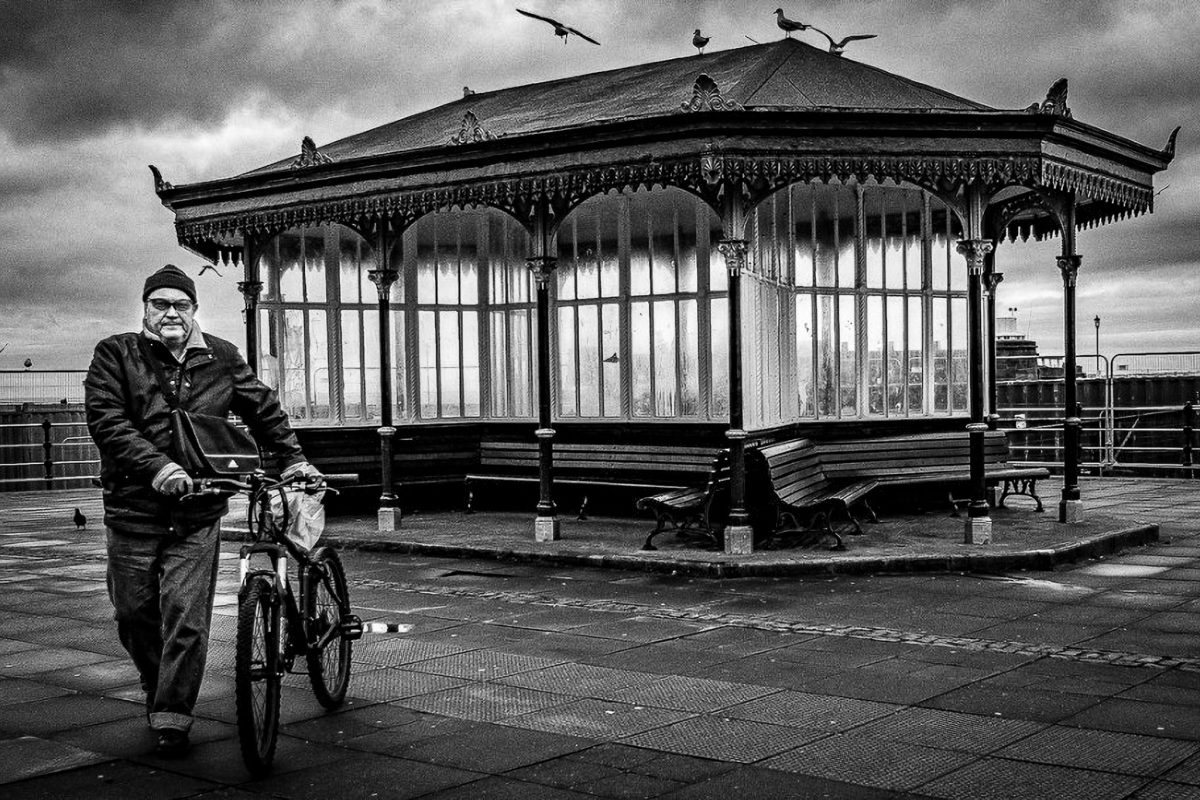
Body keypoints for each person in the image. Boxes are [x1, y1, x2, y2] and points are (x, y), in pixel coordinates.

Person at [85, 264, 320, 757]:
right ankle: (158, 686)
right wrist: (160, 468)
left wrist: (295, 460)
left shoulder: (222, 355)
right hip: (133, 510)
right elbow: (107, 420)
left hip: (198, 511)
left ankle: (172, 713)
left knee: (186, 619)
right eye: (161, 304)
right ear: (146, 308)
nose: (171, 312)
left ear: (194, 309)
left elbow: (264, 407)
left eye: (181, 304)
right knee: (134, 614)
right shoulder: (116, 353)